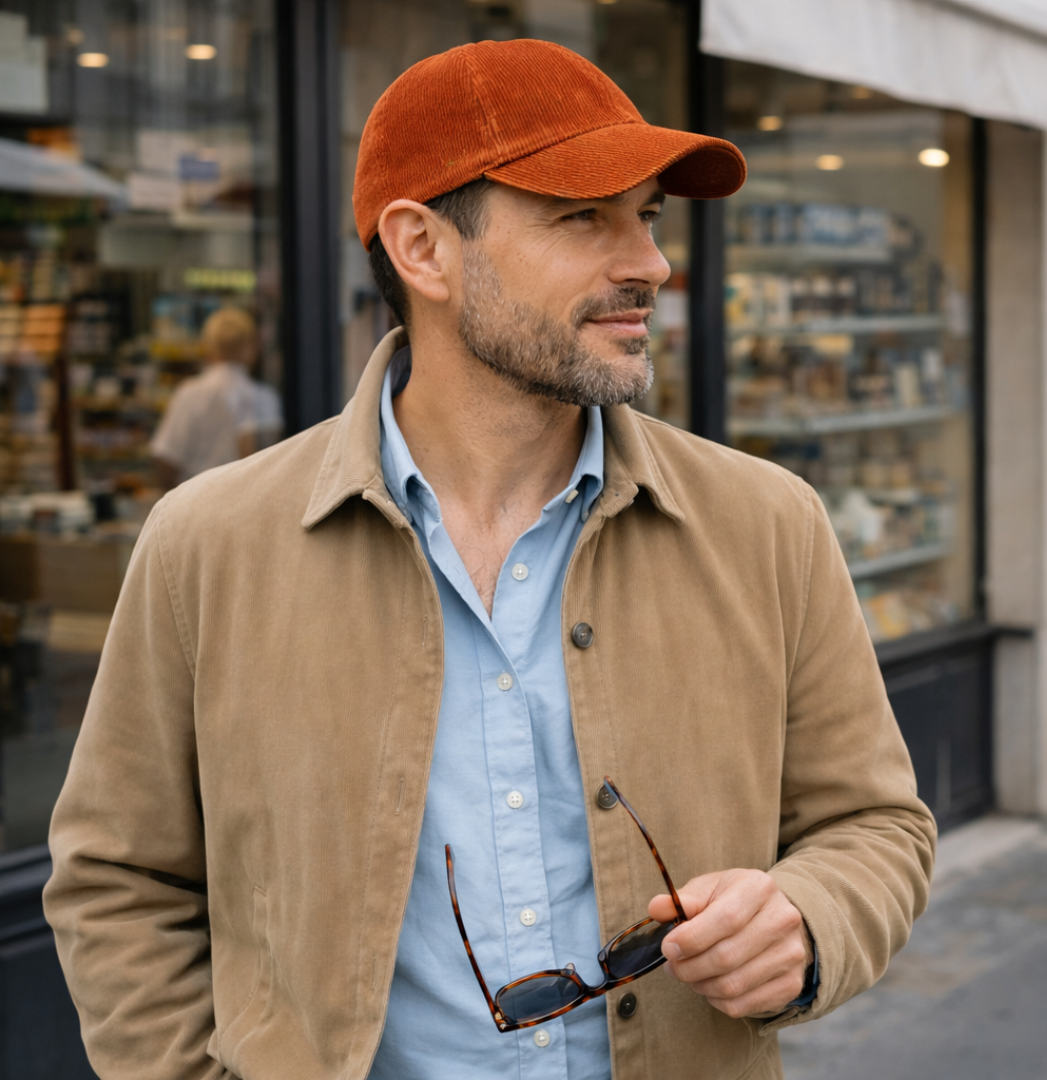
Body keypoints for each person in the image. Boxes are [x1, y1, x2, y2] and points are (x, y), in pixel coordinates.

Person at [44, 39, 935, 1080]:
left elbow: (875, 826)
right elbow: (119, 881)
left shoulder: (769, 523)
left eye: (646, 216)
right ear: (422, 249)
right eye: (583, 216)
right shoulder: (209, 545)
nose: (649, 262)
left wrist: (809, 920)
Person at [150, 306, 282, 489]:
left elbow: (166, 457)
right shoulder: (266, 398)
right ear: (251, 348)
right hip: (248, 503)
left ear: (208, 347)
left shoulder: (189, 394)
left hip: (194, 502)